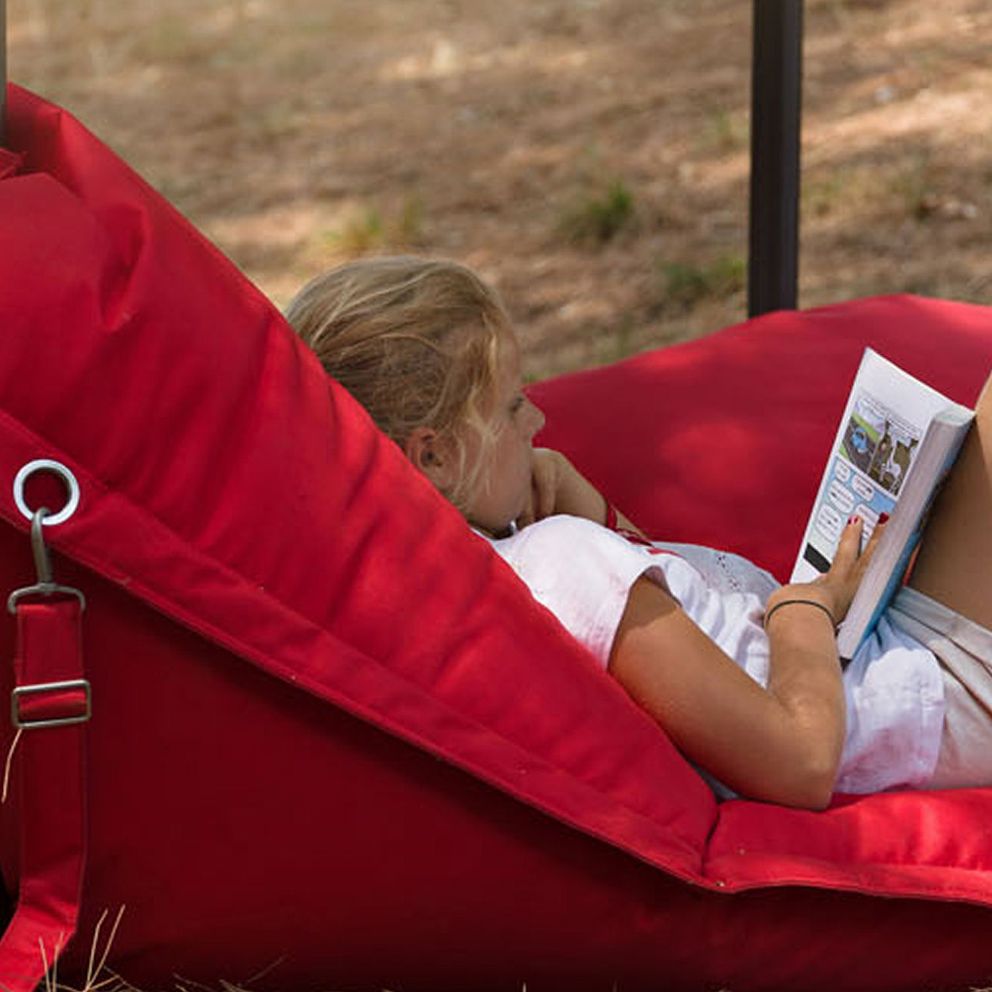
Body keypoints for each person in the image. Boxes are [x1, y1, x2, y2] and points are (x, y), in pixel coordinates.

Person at [286, 255, 992, 810]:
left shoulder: (497, 568)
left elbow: (695, 640)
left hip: (878, 669)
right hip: (931, 700)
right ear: (433, 457)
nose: (537, 421)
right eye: (511, 406)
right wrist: (804, 608)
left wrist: (594, 514)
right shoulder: (562, 564)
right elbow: (801, 765)